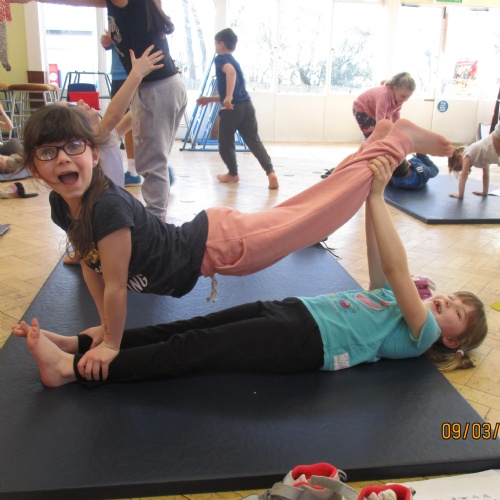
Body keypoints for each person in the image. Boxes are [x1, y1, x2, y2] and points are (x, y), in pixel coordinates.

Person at [20, 107, 454, 379]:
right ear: (36, 170)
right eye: (48, 153)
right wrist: (104, 329)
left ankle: (397, 142)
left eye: (73, 146)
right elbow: (92, 265)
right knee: (314, 207)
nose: (62, 158)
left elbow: (116, 286)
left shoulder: (108, 208)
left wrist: (112, 343)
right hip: (214, 240)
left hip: (221, 245)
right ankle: (379, 143)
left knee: (320, 211)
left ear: (94, 154)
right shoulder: (65, 206)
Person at [12, 0, 188, 222]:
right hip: (159, 86)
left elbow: (117, 115)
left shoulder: (100, 136)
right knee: (152, 162)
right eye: (74, 107)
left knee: (151, 163)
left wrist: (139, 77)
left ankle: (157, 223)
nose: (81, 102)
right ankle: (156, 220)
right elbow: (121, 117)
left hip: (157, 86)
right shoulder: (98, 136)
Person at [196, 28, 279, 190]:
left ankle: (232, 173)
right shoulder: (234, 61)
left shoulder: (221, 59)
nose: (215, 47)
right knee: (254, 141)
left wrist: (227, 97)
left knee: (225, 143)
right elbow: (236, 91)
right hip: (247, 106)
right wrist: (211, 99)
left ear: (221, 44)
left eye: (215, 44)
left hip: (232, 109)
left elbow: (231, 73)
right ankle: (271, 173)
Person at [101, 30, 139, 187]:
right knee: (126, 120)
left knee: (133, 120)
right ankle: (135, 170)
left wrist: (116, 40)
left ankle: (135, 170)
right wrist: (109, 42)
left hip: (132, 73)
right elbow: (108, 43)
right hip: (119, 74)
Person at [353, 72, 416, 139]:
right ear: (395, 88)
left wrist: (397, 131)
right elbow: (380, 120)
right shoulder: (384, 96)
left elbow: (396, 116)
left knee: (383, 133)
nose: (405, 99)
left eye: (408, 97)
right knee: (373, 135)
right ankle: (369, 144)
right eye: (403, 96)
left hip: (373, 111)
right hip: (361, 108)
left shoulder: (399, 99)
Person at [448, 122, 500, 199]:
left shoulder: (467, 154)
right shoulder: (481, 158)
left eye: (460, 167)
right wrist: (484, 192)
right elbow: (485, 175)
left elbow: (463, 176)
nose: (463, 169)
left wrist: (460, 195)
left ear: (459, 157)